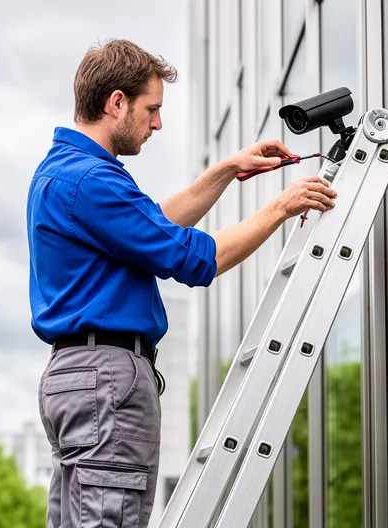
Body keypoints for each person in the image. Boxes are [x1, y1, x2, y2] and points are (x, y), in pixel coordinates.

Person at [26, 38, 337, 528]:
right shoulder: (93, 181)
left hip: (77, 376)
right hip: (106, 379)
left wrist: (227, 169)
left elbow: (153, 226)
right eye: (151, 109)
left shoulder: (65, 172)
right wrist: (282, 206)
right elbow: (193, 259)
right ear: (116, 103)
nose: (157, 123)